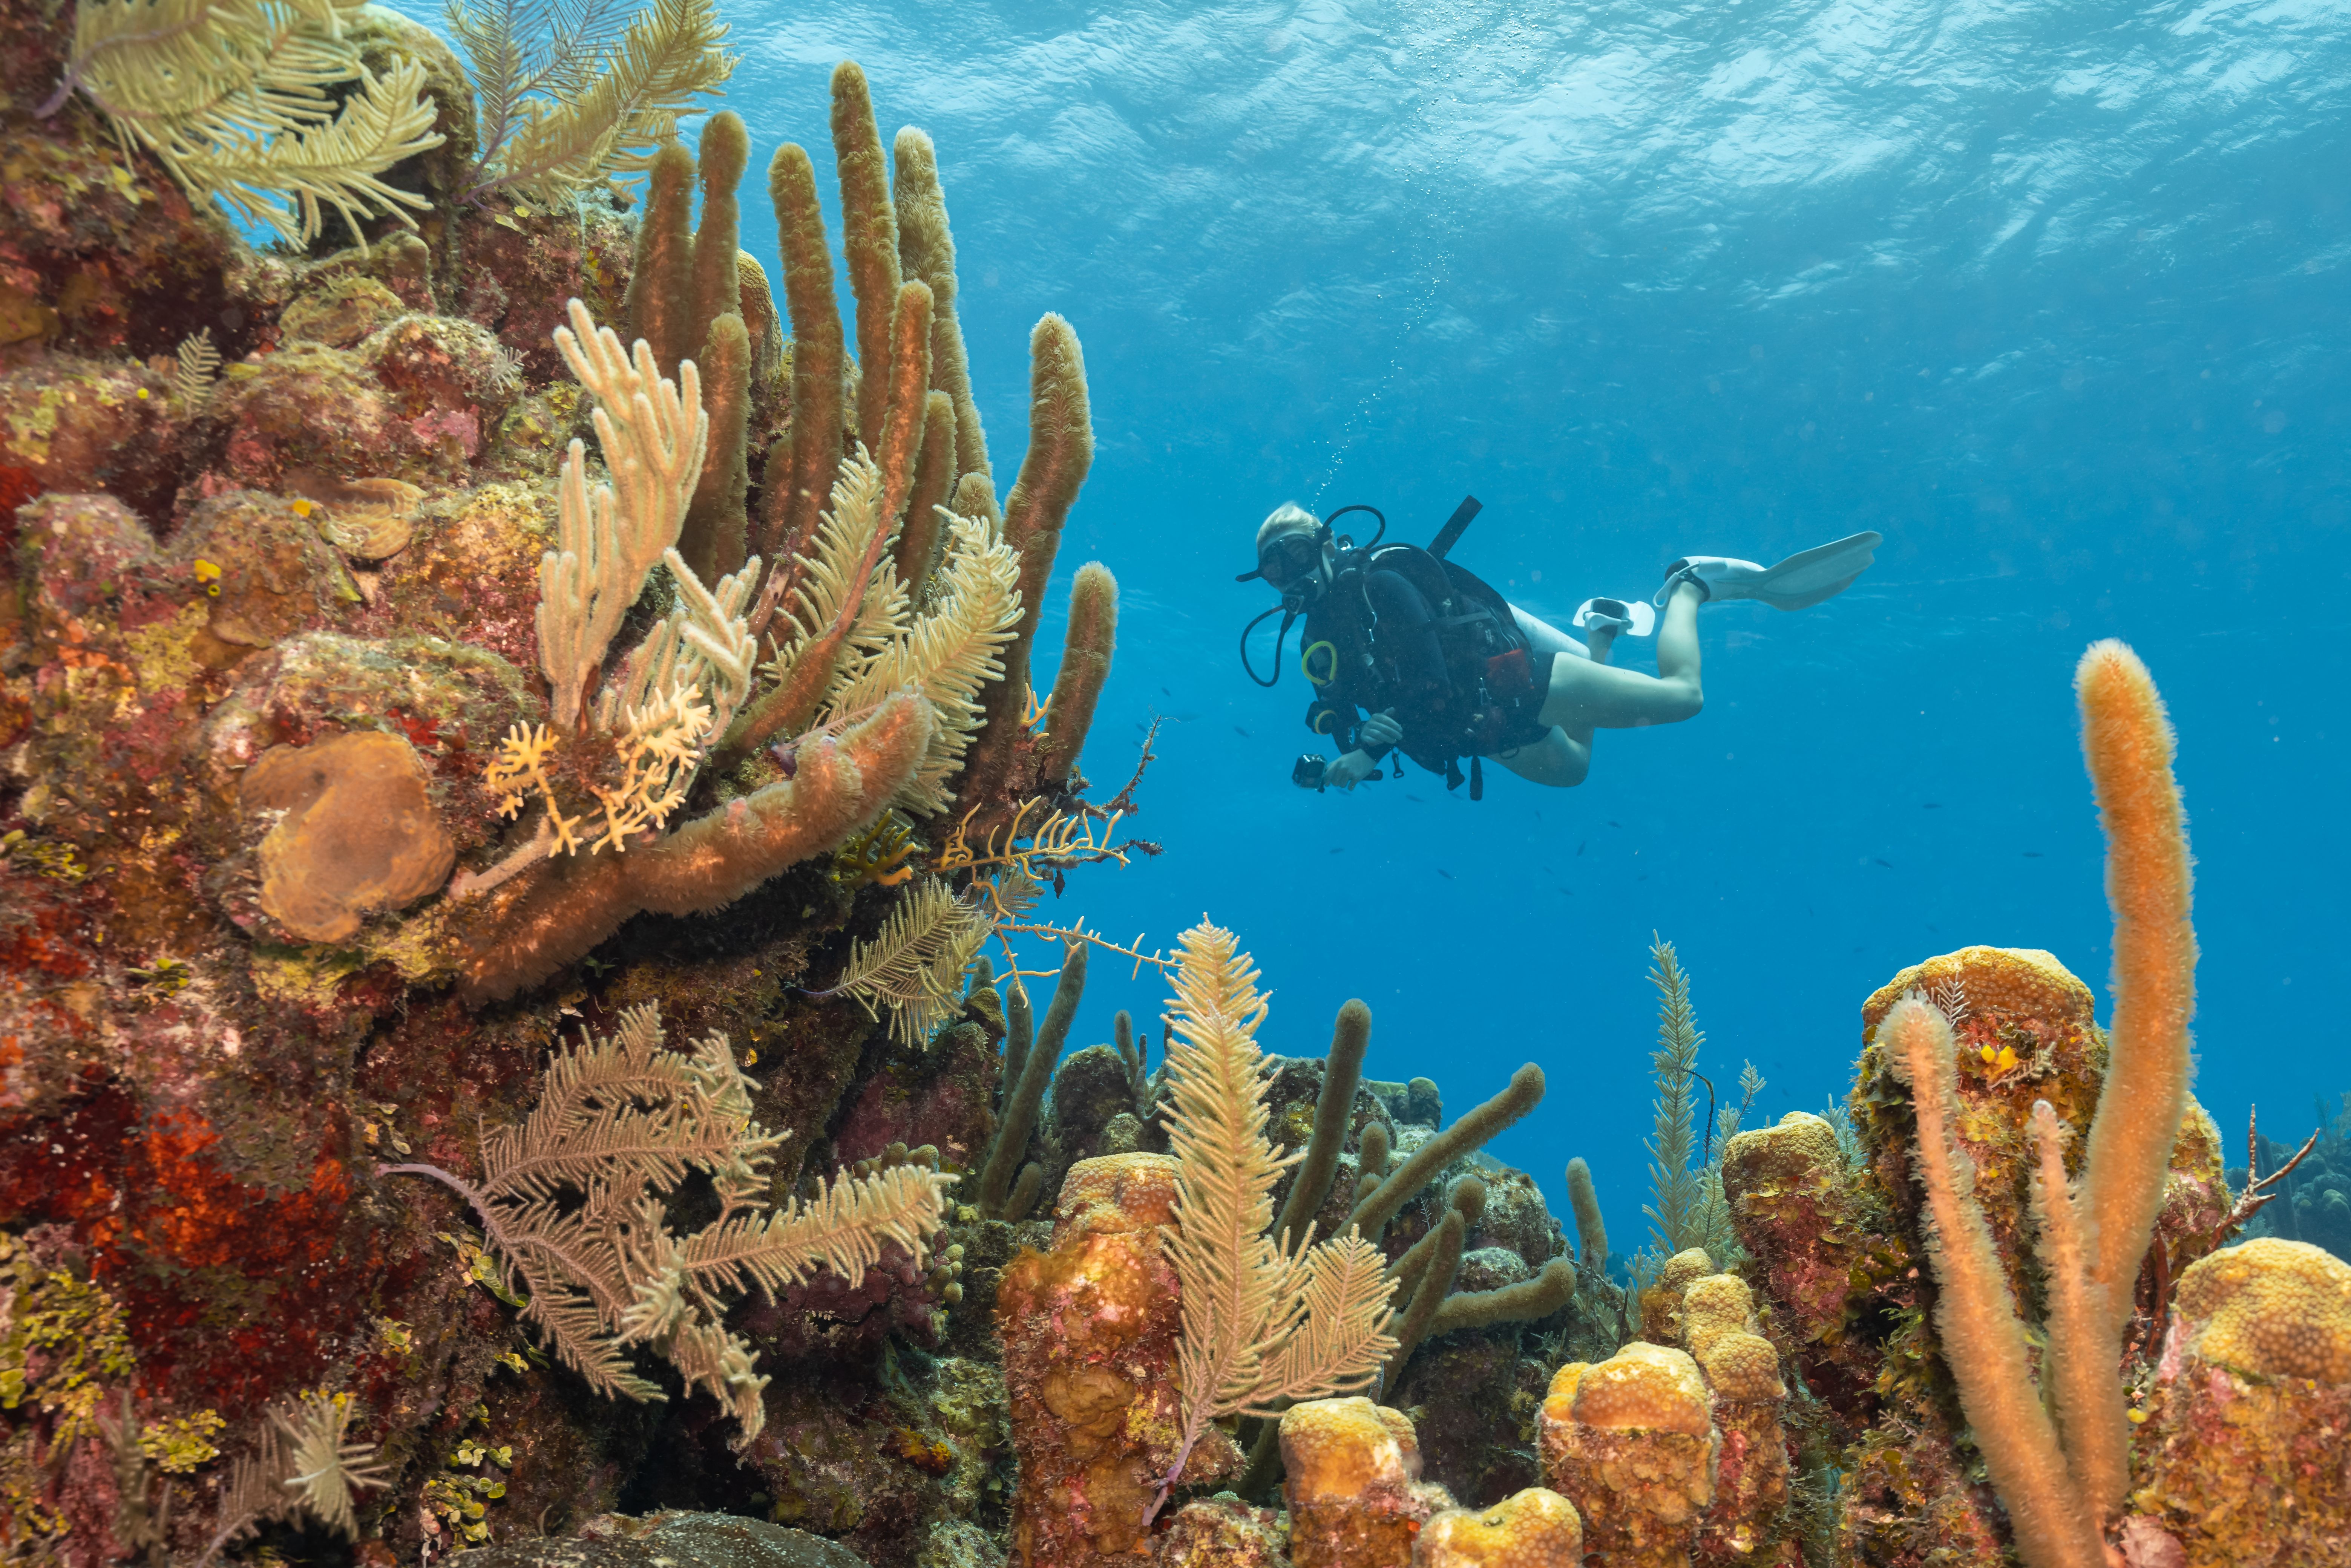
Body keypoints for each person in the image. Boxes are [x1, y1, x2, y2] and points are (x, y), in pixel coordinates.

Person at [1237, 499, 1880, 796]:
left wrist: (1373, 748)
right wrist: (1340, 753)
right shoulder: (1321, 637)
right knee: (1574, 773)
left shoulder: (1383, 582)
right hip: (1483, 729)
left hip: (1515, 683)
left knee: (1685, 698)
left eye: (1295, 555)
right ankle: (1601, 633)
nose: (1289, 576)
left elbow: (1429, 678)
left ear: (1327, 545)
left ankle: (1690, 587)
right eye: (1273, 569)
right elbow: (1338, 708)